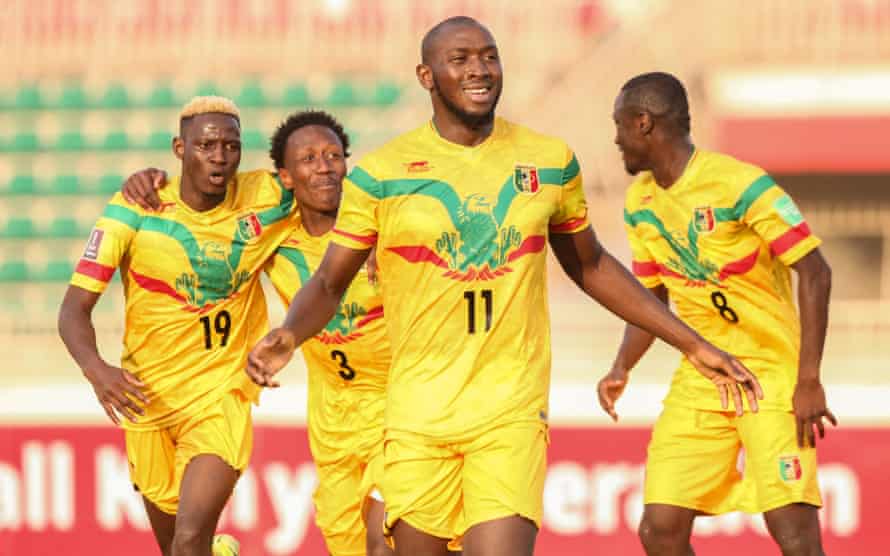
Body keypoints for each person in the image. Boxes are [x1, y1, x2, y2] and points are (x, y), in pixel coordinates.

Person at [246, 17, 762, 556]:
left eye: (489, 57)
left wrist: (692, 342)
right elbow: (329, 282)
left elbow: (589, 265)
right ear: (427, 75)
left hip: (509, 411)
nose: (479, 70)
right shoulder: (382, 174)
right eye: (461, 59)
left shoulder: (549, 161)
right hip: (417, 416)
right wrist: (289, 334)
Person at [122, 110, 394, 556]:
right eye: (308, 158)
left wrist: (388, 236)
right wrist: (155, 182)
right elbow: (210, 218)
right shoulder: (275, 241)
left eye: (333, 155)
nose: (323, 166)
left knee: (387, 540)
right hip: (334, 421)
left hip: (399, 405)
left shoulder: (379, 232)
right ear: (286, 177)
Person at [598, 72, 836, 556]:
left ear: (643, 122)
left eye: (620, 125)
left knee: (793, 535)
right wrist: (623, 365)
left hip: (770, 376)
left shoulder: (739, 183)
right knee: (659, 529)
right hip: (703, 380)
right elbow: (650, 296)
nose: (616, 138)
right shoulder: (640, 201)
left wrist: (807, 377)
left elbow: (815, 271)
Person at [58, 96, 299, 556]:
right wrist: (98, 370)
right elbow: (73, 309)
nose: (220, 157)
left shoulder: (265, 197)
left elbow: (323, 184)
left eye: (231, 145)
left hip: (220, 396)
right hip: (147, 398)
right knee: (180, 550)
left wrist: (364, 239)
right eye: (207, 145)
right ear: (179, 148)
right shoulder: (135, 208)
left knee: (189, 542)